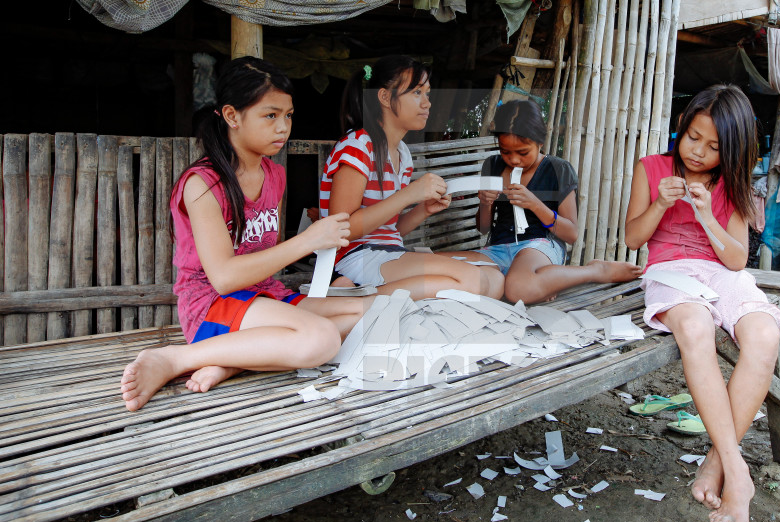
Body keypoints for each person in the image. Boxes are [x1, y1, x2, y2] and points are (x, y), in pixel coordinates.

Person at [121, 57, 371, 412]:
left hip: (263, 297)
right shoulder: (203, 184)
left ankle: (231, 361)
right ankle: (177, 358)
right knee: (321, 338)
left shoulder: (274, 176)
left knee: (369, 313)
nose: (283, 126)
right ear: (232, 116)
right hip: (212, 305)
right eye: (270, 115)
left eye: (288, 115)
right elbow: (223, 278)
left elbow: (261, 256)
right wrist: (307, 241)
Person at [624, 83, 780, 522]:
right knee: (694, 324)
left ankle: (717, 462)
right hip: (669, 271)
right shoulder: (652, 168)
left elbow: (735, 260)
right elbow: (635, 240)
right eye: (693, 137)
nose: (698, 152)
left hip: (719, 273)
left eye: (714, 147)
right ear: (682, 126)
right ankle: (738, 473)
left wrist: (707, 216)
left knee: (764, 334)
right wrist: (660, 202)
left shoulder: (733, 185)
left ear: (731, 151)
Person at [321, 55, 504, 300]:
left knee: (492, 273)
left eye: (427, 93)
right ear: (385, 97)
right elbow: (341, 232)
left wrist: (423, 209)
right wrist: (408, 194)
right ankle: (352, 298)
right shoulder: (357, 146)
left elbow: (390, 229)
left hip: (389, 251)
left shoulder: (402, 154)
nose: (427, 103)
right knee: (471, 279)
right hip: (355, 256)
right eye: (417, 93)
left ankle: (380, 296)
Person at [461, 99, 641, 303]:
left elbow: (571, 234)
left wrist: (534, 204)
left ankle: (595, 270)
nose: (513, 160)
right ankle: (546, 280)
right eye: (505, 151)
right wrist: (485, 203)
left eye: (523, 152)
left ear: (540, 142)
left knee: (518, 288)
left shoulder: (558, 169)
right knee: (448, 268)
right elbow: (484, 228)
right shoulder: (493, 165)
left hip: (541, 245)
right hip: (499, 248)